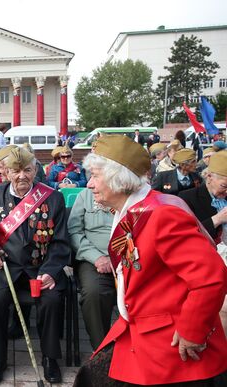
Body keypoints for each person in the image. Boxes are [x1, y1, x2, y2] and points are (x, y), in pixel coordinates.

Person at [74, 135, 227, 386]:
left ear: (118, 179)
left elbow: (211, 277)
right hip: (141, 329)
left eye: (95, 175)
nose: (89, 184)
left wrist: (192, 330)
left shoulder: (161, 215)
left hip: (171, 344)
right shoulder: (137, 208)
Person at [0, 147, 70, 384]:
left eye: (27, 170)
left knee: (51, 300)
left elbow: (61, 243)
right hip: (4, 267)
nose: (22, 176)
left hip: (40, 267)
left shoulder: (53, 197)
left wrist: (49, 272)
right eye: (16, 171)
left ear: (35, 171)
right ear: (6, 172)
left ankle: (50, 358)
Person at [179, 151, 227, 336]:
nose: (226, 191)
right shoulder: (186, 198)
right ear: (209, 176)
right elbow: (186, 236)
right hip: (204, 263)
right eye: (224, 185)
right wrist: (217, 219)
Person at [68, 188, 115, 350]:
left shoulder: (133, 195)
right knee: (94, 293)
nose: (90, 182)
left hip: (129, 257)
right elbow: (74, 231)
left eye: (96, 174)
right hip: (93, 259)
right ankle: (102, 349)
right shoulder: (86, 195)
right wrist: (97, 258)